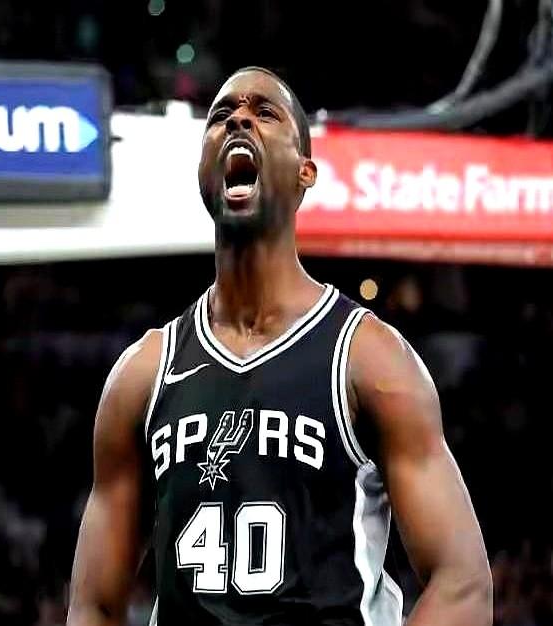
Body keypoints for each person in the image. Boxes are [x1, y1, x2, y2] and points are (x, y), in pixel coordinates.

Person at [67, 66, 492, 626]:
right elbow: (92, 605)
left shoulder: (368, 357)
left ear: (305, 172)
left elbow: (463, 584)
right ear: (202, 170)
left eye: (264, 113)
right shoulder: (143, 374)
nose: (238, 120)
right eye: (221, 116)